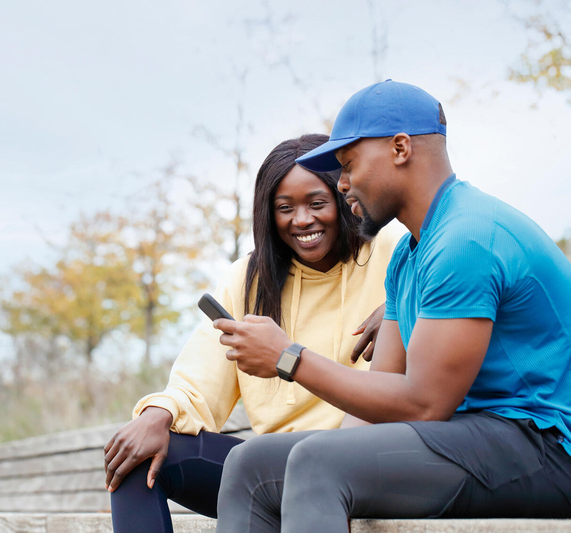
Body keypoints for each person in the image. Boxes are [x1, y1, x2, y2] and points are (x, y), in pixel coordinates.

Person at [213, 80, 571, 532]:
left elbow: (424, 405)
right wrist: (345, 456)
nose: (342, 184)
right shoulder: (409, 255)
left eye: (347, 165)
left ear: (400, 148)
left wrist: (289, 358)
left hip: (546, 444)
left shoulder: (467, 238)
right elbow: (377, 401)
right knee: (251, 465)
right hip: (476, 436)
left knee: (318, 462)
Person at [103, 134, 397, 533]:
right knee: (136, 457)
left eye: (316, 203)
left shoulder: (392, 254)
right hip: (267, 469)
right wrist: (159, 413)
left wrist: (400, 306)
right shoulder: (249, 280)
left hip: (363, 458)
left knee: (270, 466)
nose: (302, 220)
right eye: (284, 208)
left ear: (341, 196)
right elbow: (199, 381)